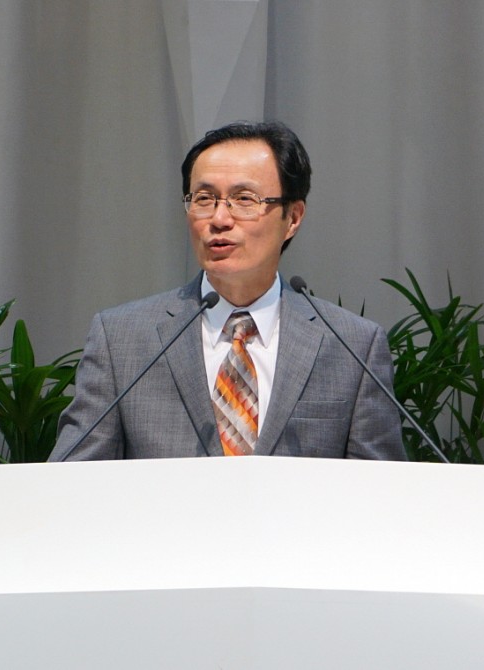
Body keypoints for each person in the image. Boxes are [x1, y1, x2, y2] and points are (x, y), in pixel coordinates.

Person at [49, 121, 405, 461]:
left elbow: (378, 490)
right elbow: (73, 478)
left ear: (293, 218)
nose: (219, 219)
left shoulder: (352, 348)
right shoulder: (122, 341)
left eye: (244, 199)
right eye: (204, 199)